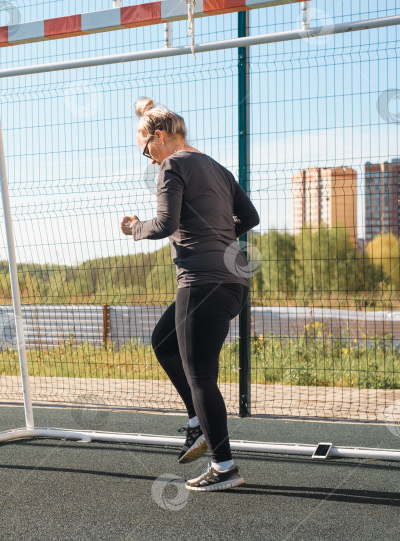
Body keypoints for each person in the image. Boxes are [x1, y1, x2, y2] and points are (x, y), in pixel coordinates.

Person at [120, 98, 259, 492]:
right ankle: (199, 423)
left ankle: (225, 466)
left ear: (159, 137)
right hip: (234, 280)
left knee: (201, 376)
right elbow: (250, 219)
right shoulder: (217, 167)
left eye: (146, 150)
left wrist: (133, 226)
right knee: (163, 341)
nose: (149, 160)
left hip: (200, 281)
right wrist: (218, 233)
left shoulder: (173, 165)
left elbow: (164, 224)